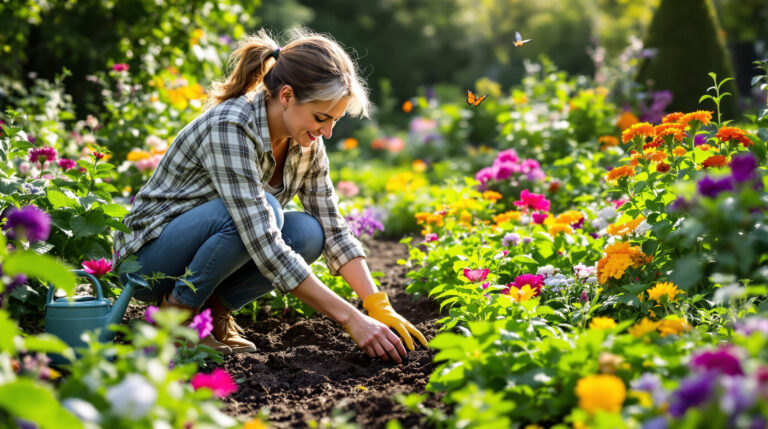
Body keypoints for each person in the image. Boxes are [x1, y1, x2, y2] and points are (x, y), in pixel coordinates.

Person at [113, 28, 427, 364]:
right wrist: (351, 318)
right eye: (321, 118)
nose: (327, 132)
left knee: (308, 232)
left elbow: (333, 225)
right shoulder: (231, 125)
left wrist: (376, 303)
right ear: (287, 96)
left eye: (334, 121)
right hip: (148, 259)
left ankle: (211, 315)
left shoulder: (307, 143)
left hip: (202, 251)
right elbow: (260, 235)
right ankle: (174, 319)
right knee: (268, 213)